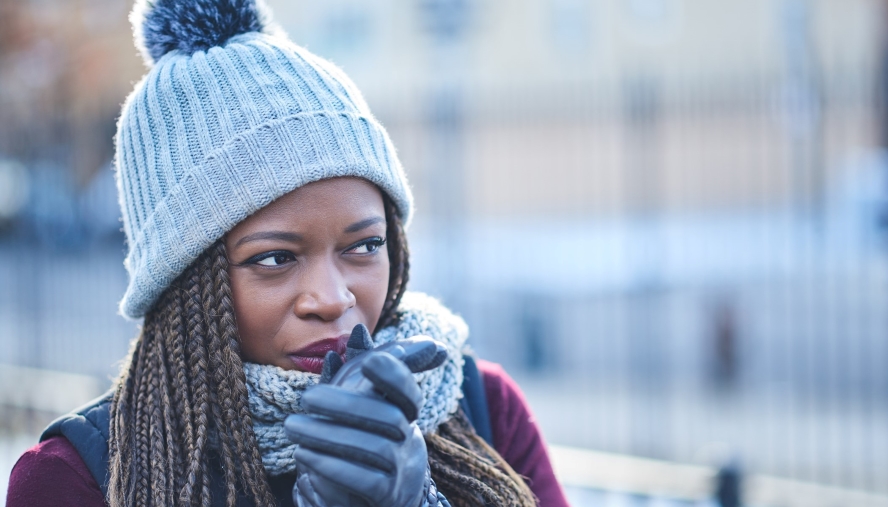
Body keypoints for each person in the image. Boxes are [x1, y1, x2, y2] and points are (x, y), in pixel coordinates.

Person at [6, 0, 570, 505]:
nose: (332, 298)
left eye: (365, 246)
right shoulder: (78, 480)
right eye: (274, 258)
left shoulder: (480, 407)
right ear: (181, 281)